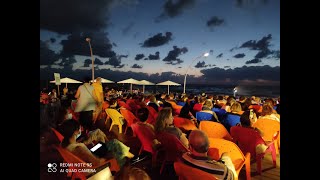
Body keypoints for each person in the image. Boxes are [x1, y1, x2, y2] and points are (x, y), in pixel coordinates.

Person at [60, 119, 134, 168]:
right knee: (118, 150)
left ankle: (128, 153)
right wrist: (109, 157)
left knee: (113, 142)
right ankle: (127, 160)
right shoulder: (79, 148)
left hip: (90, 154)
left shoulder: (64, 145)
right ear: (75, 132)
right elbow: (97, 162)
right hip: (98, 165)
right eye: (79, 128)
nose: (80, 130)